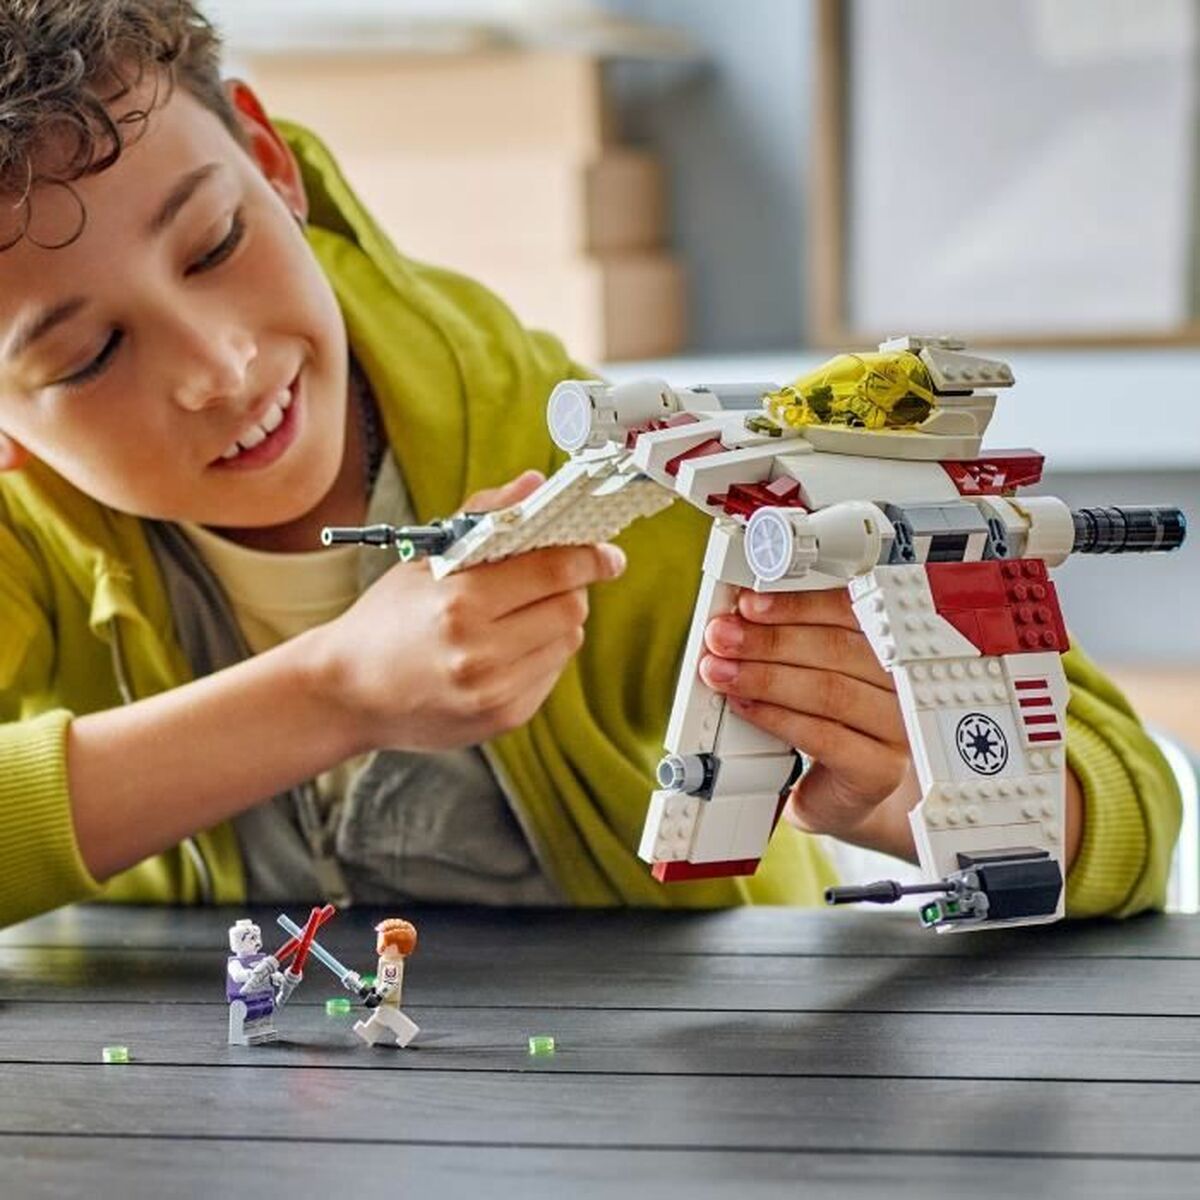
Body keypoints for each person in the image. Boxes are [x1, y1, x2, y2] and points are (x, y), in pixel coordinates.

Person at [0, 1, 1180, 929]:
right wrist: (331, 694)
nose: (218, 367)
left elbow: (1132, 801)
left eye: (214, 244)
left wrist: (923, 789)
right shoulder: (27, 539)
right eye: (87, 355)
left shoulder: (639, 478)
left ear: (271, 163)